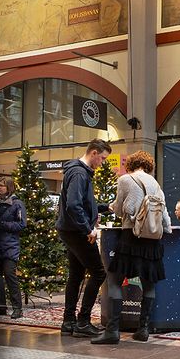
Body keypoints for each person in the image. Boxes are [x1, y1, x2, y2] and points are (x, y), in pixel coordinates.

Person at [92, 150, 172, 344]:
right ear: (148, 166)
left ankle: (112, 331)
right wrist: (166, 229)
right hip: (152, 241)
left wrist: (112, 207)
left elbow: (120, 209)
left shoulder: (125, 180)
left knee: (114, 281)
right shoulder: (155, 184)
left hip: (131, 238)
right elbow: (165, 217)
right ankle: (143, 329)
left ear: (131, 164)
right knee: (149, 284)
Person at [56, 139, 112, 337]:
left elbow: (82, 203)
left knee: (76, 274)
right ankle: (83, 322)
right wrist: (88, 229)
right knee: (98, 273)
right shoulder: (80, 173)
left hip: (69, 230)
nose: (102, 163)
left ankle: (68, 322)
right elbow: (73, 205)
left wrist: (106, 207)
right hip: (77, 231)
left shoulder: (76, 171)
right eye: (103, 159)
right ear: (94, 153)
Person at [0, 176, 27, 319]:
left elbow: (22, 224)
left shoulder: (17, 204)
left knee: (10, 276)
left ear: (9, 188)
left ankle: (18, 308)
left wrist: (3, 225)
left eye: (1, 185)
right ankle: (0, 307)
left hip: (10, 246)